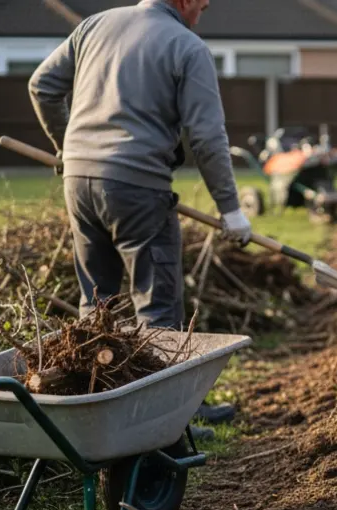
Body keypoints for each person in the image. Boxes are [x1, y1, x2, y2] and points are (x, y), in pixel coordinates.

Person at [28, 0, 251, 330]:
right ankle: (159, 365)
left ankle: (94, 363)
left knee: (97, 306)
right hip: (138, 189)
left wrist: (67, 149)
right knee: (157, 311)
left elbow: (41, 85)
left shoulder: (93, 26)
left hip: (78, 184)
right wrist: (230, 209)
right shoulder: (187, 46)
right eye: (202, 8)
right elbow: (207, 136)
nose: (198, 18)